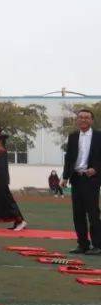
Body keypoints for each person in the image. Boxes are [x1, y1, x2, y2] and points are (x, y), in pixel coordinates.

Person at [61, 108, 101, 255]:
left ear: (91, 120)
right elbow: (69, 158)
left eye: (87, 117)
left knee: (93, 213)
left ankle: (98, 245)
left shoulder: (98, 136)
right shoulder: (72, 136)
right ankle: (82, 244)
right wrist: (65, 177)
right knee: (78, 213)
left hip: (91, 179)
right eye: (81, 117)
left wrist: (96, 169)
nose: (83, 119)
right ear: (77, 120)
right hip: (76, 178)